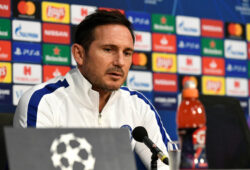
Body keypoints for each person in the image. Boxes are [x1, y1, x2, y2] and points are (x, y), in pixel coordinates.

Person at [14, 10, 172, 169]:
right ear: (79, 54)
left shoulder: (138, 105)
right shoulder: (43, 102)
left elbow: (168, 165)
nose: (120, 62)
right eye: (108, 49)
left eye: (127, 53)